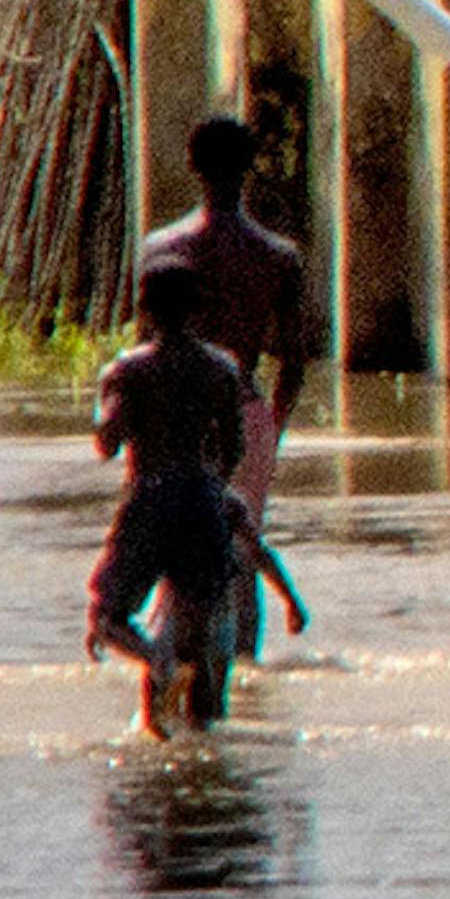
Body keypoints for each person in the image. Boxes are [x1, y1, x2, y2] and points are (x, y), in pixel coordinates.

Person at [83, 291, 261, 729]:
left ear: (145, 313)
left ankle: (156, 658)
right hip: (203, 497)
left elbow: (107, 443)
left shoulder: (128, 370)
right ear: (195, 311)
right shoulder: (221, 369)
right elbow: (234, 447)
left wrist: (101, 409)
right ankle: (202, 735)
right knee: (203, 629)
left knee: (106, 618)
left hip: (151, 495)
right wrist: (209, 489)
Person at [128, 114, 312, 492]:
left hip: (175, 418)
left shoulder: (161, 250)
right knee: (238, 541)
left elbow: (146, 349)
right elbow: (294, 362)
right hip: (245, 410)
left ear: (192, 165)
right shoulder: (279, 257)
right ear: (249, 165)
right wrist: (270, 432)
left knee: (171, 545)